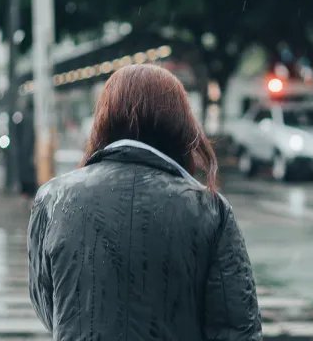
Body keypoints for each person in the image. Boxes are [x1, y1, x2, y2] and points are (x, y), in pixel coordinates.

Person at [28, 64, 262, 340]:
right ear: (180, 124)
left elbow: (51, 306)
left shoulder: (53, 199)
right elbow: (237, 327)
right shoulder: (210, 209)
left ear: (104, 119)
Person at [14, 98, 37, 199]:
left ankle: (25, 191)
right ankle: (30, 191)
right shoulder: (33, 117)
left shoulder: (22, 116)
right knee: (30, 171)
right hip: (29, 149)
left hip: (23, 149)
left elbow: (17, 133)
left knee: (24, 171)